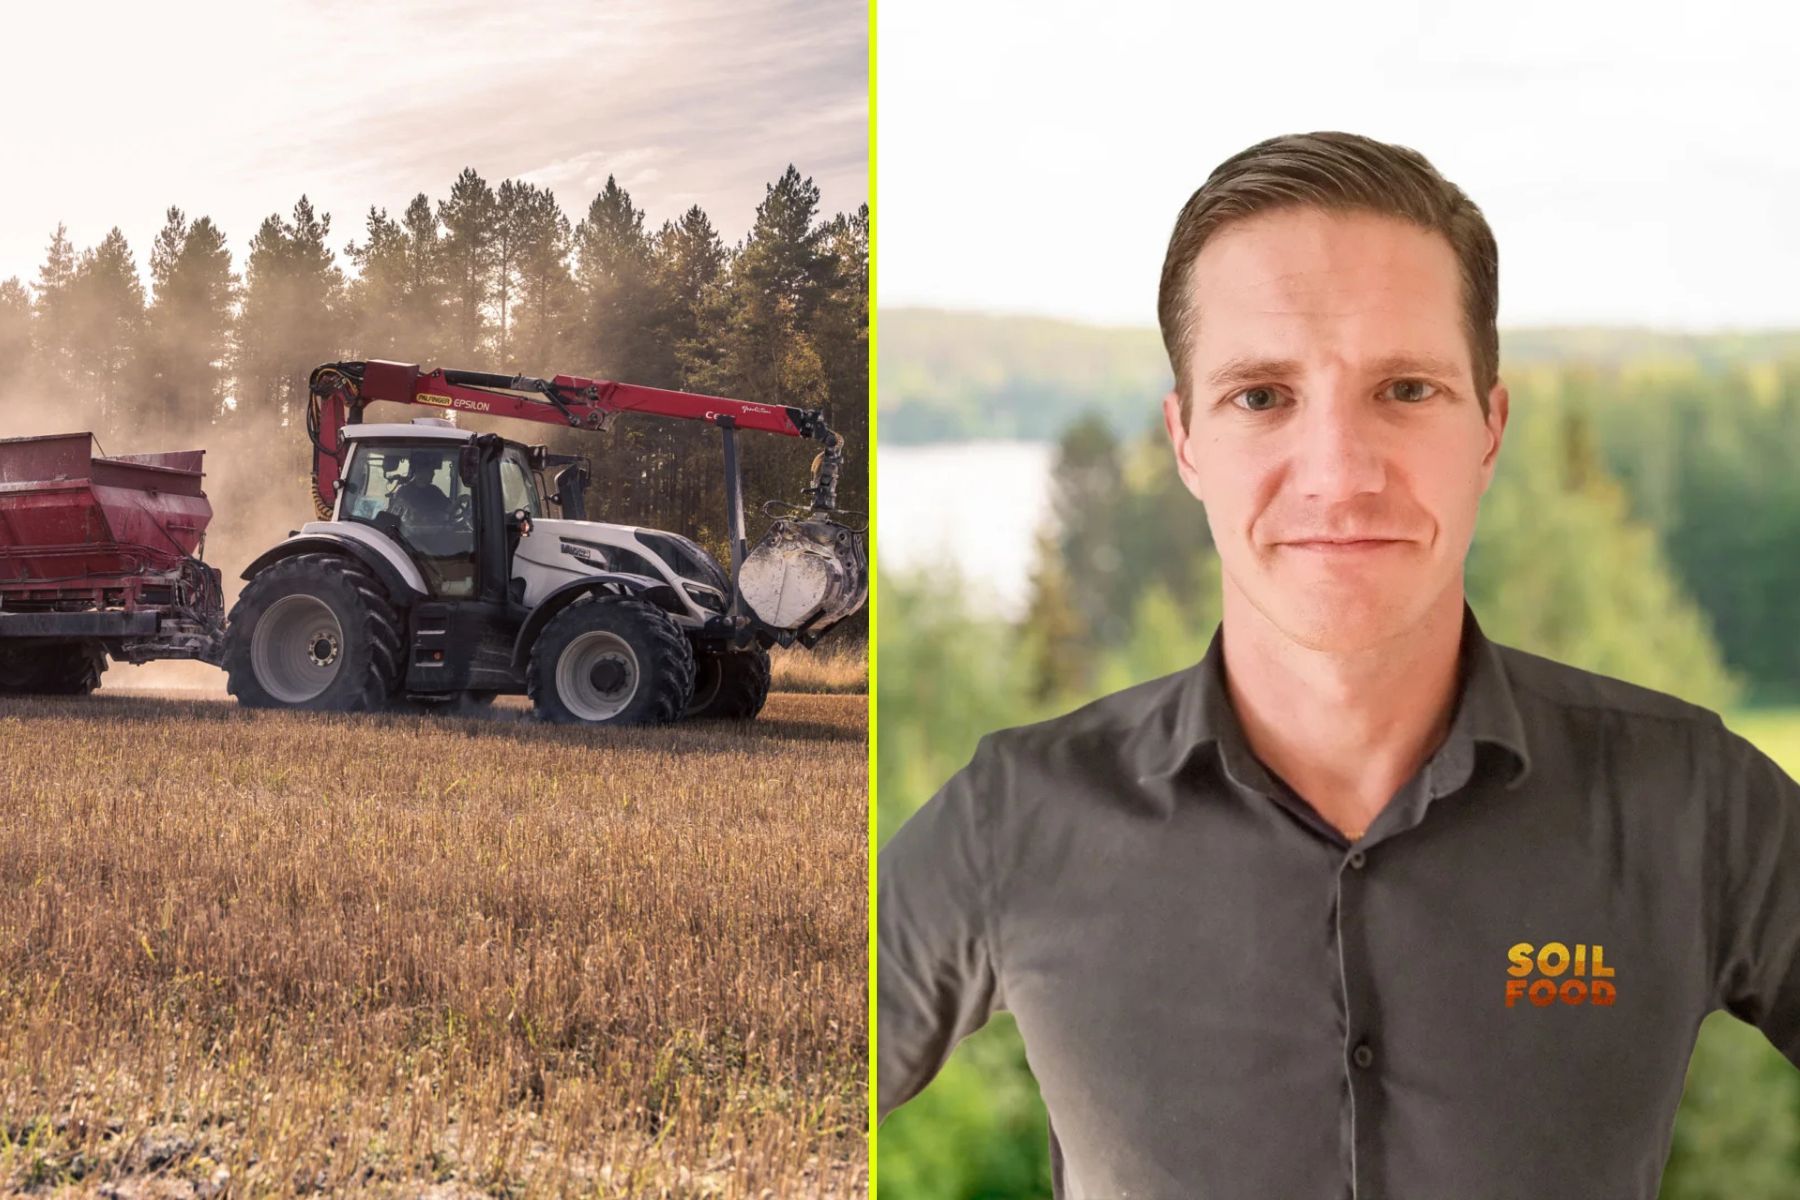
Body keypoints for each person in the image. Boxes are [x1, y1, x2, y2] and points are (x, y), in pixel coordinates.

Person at [876, 131, 1800, 1198]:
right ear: (1186, 441)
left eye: (1405, 389)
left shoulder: (1693, 801)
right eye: (1262, 396)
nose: (1339, 472)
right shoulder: (1013, 819)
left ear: (1489, 429)